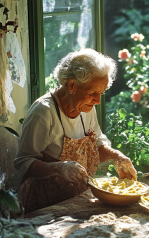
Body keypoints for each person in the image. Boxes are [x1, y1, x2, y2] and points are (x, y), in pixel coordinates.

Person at [14, 49, 137, 213]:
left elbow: (98, 145)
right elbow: (23, 162)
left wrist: (115, 155)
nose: (98, 101)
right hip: (46, 206)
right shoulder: (43, 112)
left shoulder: (87, 108)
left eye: (101, 93)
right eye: (93, 93)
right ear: (71, 85)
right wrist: (60, 168)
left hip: (76, 200)